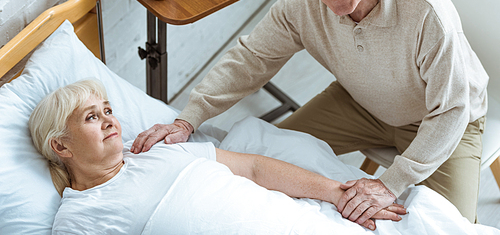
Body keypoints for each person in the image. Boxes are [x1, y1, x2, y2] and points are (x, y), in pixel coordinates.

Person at [131, 0, 488, 225]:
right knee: (264, 161)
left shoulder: (424, 10)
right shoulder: (301, 3)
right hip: (360, 103)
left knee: (451, 227)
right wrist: (187, 119)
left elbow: (452, 108)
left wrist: (390, 182)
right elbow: (251, 59)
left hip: (441, 118)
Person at [29, 79, 405, 234]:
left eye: (108, 110)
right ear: (61, 146)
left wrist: (338, 193)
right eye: (92, 117)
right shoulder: (80, 216)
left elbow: (255, 168)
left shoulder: (155, 153)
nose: (109, 120)